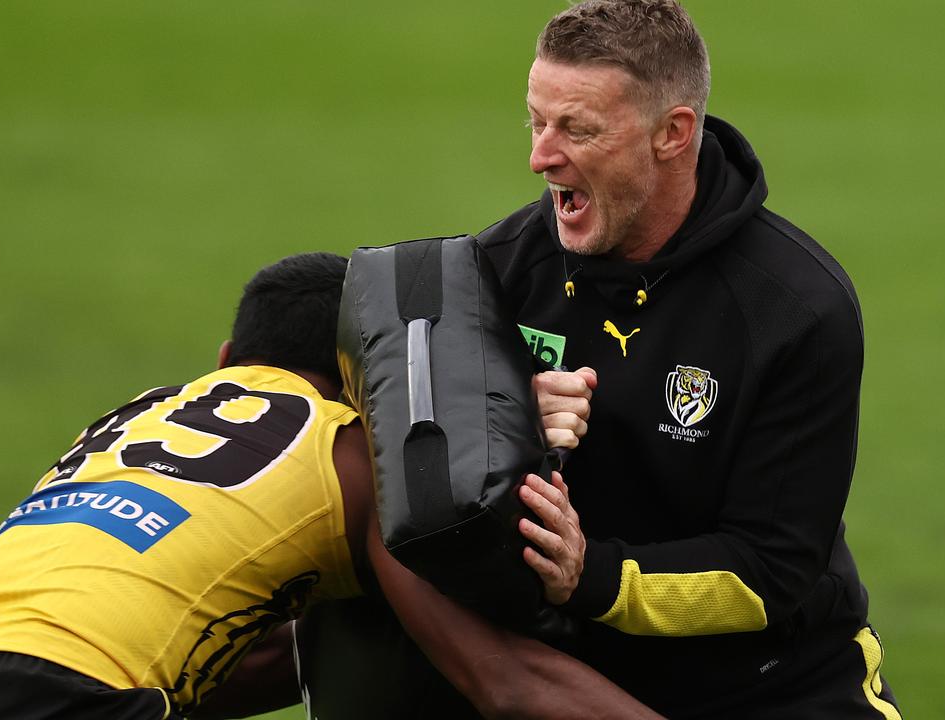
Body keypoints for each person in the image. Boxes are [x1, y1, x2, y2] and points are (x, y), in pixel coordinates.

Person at [295, 2, 902, 718]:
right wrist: (505, 425)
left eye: (577, 129)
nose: (540, 156)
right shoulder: (491, 275)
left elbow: (770, 572)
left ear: (671, 134)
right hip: (567, 680)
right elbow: (404, 492)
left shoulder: (796, 309)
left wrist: (594, 576)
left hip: (774, 685)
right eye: (536, 120)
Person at [0, 253, 663, 720]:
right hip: (73, 697)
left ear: (227, 359)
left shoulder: (132, 418)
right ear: (364, 383)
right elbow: (502, 679)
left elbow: (222, 656)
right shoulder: (353, 448)